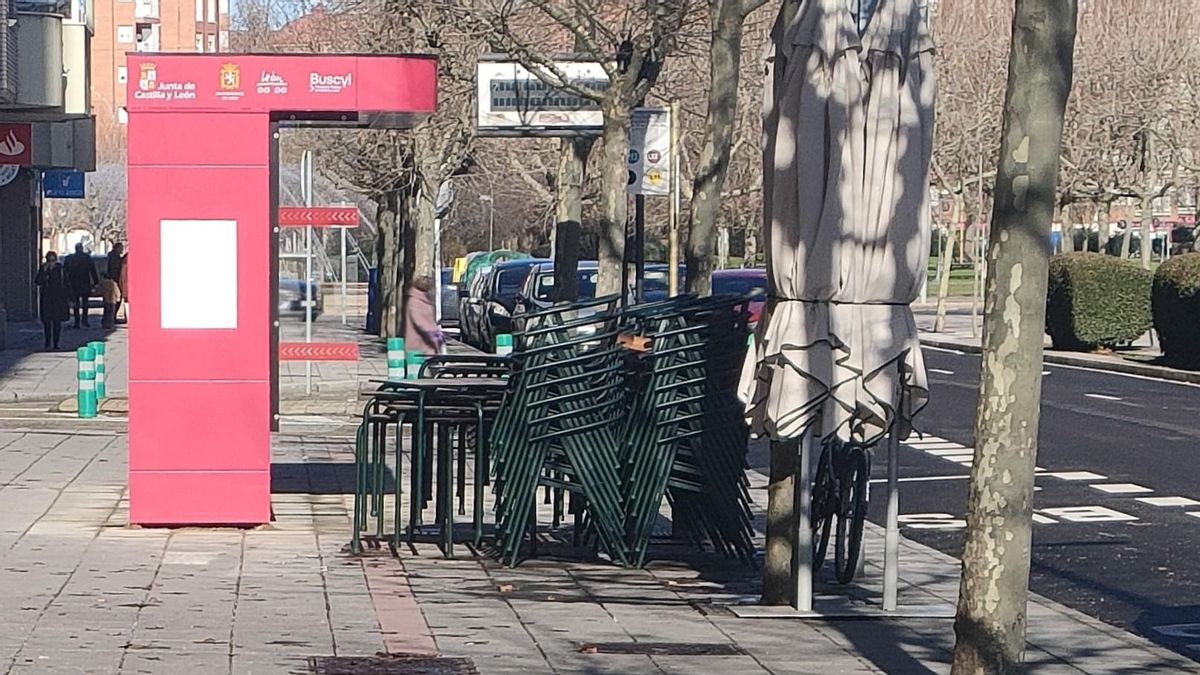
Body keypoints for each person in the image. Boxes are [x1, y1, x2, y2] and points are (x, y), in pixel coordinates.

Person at [34, 252, 69, 350]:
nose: (51, 263)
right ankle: (47, 342)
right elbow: (37, 281)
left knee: (57, 322)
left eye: (53, 260)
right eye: (49, 260)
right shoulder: (44, 269)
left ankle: (56, 343)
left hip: (58, 299)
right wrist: (44, 272)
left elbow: (66, 284)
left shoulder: (60, 269)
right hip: (46, 299)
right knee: (47, 322)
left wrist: (68, 298)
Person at [404, 276, 444, 358]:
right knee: (421, 368)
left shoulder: (424, 300)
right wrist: (434, 332)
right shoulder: (414, 301)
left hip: (428, 343)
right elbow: (419, 322)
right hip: (418, 345)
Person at [63, 243, 99, 328]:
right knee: (85, 303)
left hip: (74, 283)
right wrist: (96, 281)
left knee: (76, 304)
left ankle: (77, 322)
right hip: (84, 283)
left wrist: (66, 283)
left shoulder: (70, 258)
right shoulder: (87, 258)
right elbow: (92, 270)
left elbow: (65, 271)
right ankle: (85, 320)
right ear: (81, 249)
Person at [107, 243, 126, 319]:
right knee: (116, 299)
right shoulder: (114, 258)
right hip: (115, 280)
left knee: (115, 299)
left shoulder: (114, 257)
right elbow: (115, 269)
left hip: (115, 280)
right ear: (117, 248)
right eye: (121, 248)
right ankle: (112, 317)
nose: (122, 249)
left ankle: (112, 317)